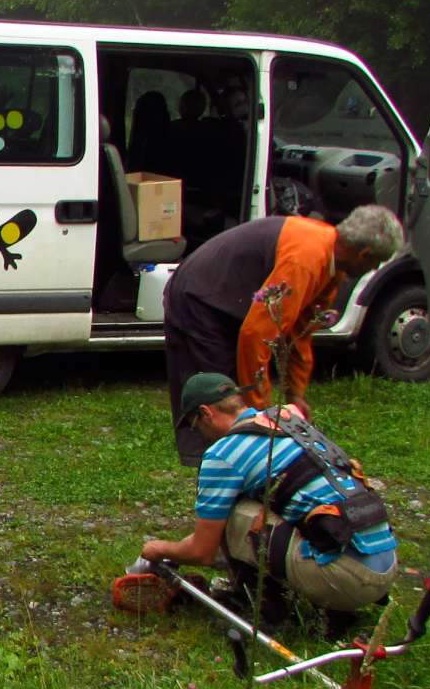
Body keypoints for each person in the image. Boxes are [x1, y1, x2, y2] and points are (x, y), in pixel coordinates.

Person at [139, 372, 397, 633]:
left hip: (346, 580)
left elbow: (203, 551)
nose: (201, 434)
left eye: (196, 426)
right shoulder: (288, 418)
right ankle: (330, 603)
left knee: (234, 514)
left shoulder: (223, 454)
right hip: (384, 564)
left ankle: (267, 607)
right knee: (278, 504)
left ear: (206, 413)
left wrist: (159, 549)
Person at [161, 205, 403, 466]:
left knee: (238, 403)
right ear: (364, 254)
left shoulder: (329, 262)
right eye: (375, 263)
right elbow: (256, 334)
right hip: (200, 298)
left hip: (225, 301)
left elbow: (299, 332)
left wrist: (294, 393)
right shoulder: (306, 260)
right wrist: (262, 411)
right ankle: (217, 474)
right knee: (220, 398)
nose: (373, 268)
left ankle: (240, 466)